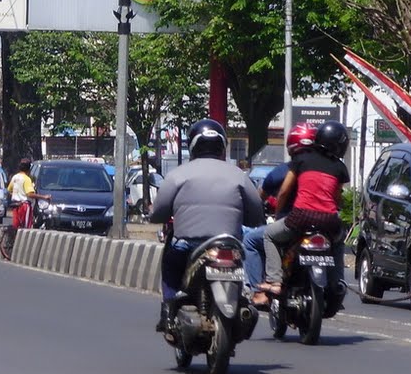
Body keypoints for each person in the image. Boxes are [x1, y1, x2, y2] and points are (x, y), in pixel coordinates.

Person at [149, 118, 264, 333]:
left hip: (188, 245)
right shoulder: (239, 175)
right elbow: (257, 213)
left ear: (192, 146)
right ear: (222, 146)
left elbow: (157, 213)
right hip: (229, 244)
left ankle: (167, 310)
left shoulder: (178, 175)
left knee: (170, 264)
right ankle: (246, 297)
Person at [260, 119, 350, 297]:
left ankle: (275, 280)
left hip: (300, 218)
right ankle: (337, 281)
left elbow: (284, 191)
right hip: (329, 222)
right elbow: (337, 198)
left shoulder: (301, 160)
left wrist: (278, 214)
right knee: (338, 242)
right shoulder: (340, 167)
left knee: (269, 235)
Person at [245, 122, 318, 308]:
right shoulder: (327, 168)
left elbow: (264, 196)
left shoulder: (286, 170)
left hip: (293, 222)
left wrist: (276, 213)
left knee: (252, 241)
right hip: (323, 222)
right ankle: (337, 282)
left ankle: (260, 290)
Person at [6, 158, 49, 230]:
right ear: (29, 169)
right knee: (26, 228)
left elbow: (9, 190)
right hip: (24, 206)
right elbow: (30, 194)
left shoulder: (15, 177)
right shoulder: (26, 179)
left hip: (15, 206)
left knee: (16, 227)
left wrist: (17, 195)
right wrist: (44, 197)